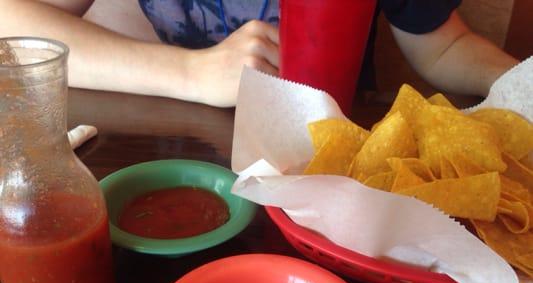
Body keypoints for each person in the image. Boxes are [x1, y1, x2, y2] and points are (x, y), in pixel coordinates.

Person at [0, 0, 519, 108]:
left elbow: (443, 43)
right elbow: (12, 24)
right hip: (185, 144)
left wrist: (524, 81)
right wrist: (193, 73)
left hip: (333, 152)